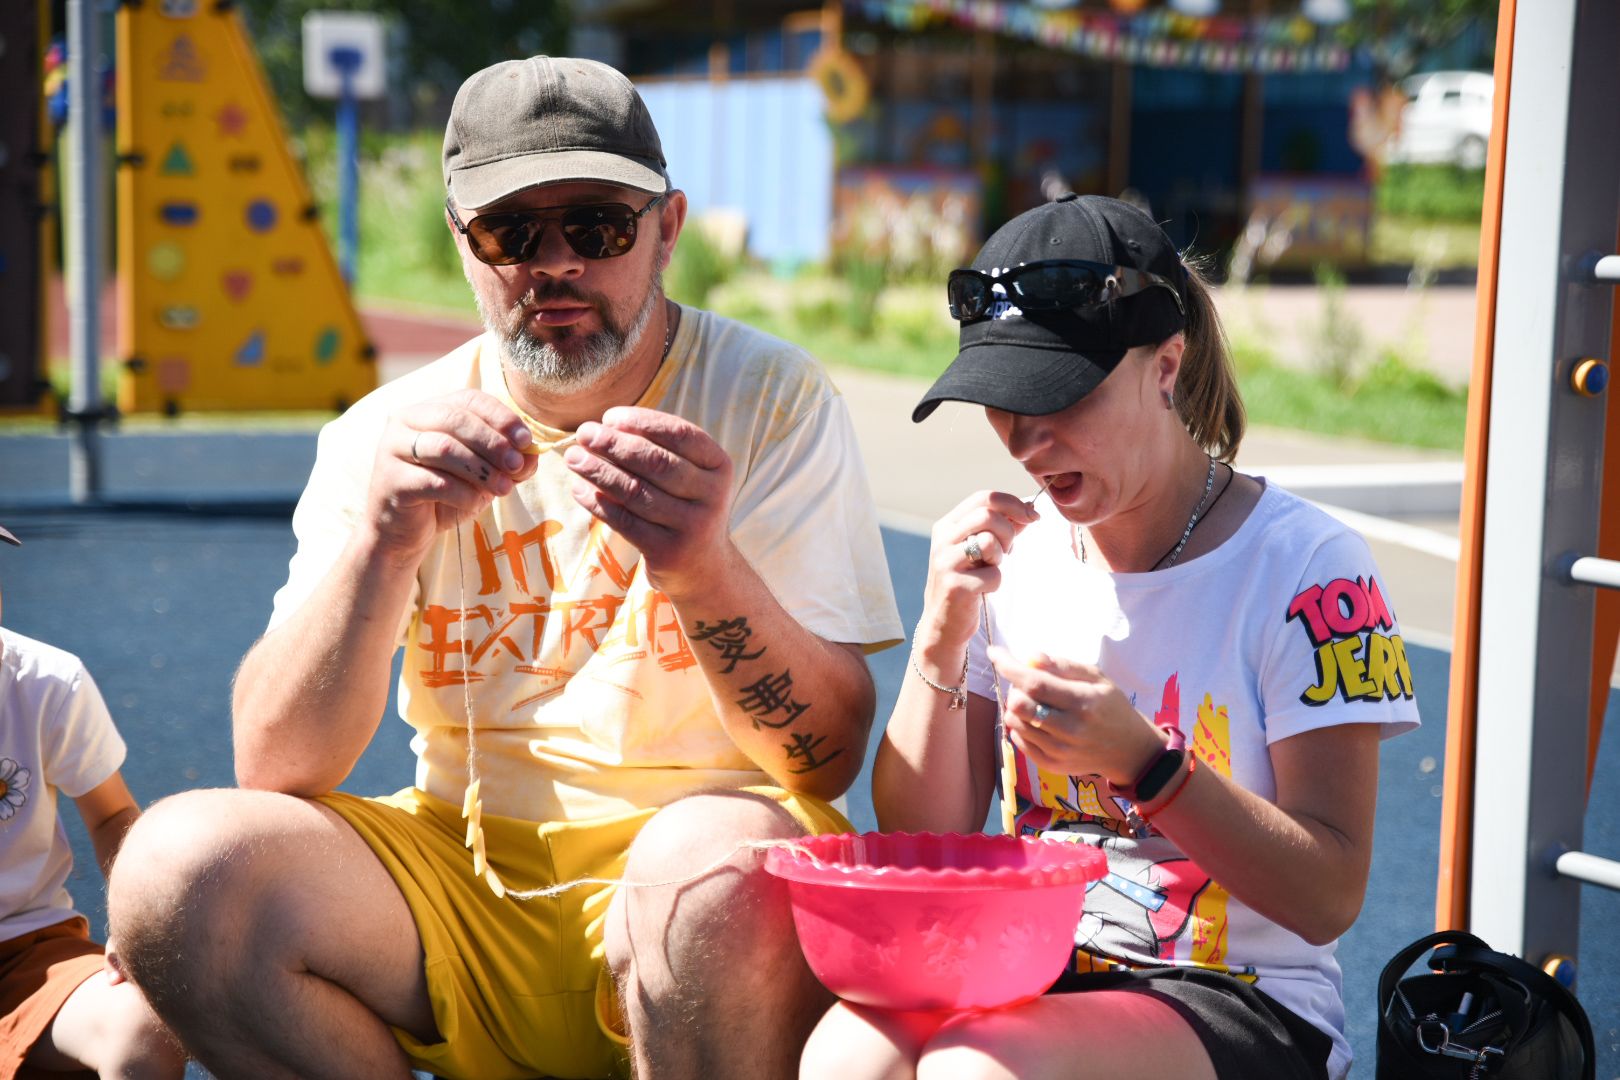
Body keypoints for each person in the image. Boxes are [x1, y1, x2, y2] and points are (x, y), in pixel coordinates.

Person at [108, 56, 902, 1080]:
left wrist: (705, 569)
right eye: (511, 232)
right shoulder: (387, 435)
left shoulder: (768, 397)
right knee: (176, 870)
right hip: (460, 883)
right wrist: (380, 545)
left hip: (704, 891)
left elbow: (825, 759)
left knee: (708, 868)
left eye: (599, 227)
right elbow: (277, 768)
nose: (556, 263)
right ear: (461, 241)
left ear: (668, 227)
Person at [800, 194, 1419, 1080]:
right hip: (1029, 961)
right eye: (1002, 402)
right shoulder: (1017, 560)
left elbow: (1327, 897)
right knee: (845, 1056)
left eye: (1063, 397)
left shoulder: (1313, 569)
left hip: (1238, 990)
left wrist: (1148, 766)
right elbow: (927, 830)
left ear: (1166, 366)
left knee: (977, 1070)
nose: (1027, 439)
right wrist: (940, 639)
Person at [0, 524, 186, 1079]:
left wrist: (135, 926)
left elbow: (110, 814)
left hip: (25, 953)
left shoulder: (45, 682)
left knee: (143, 1026)